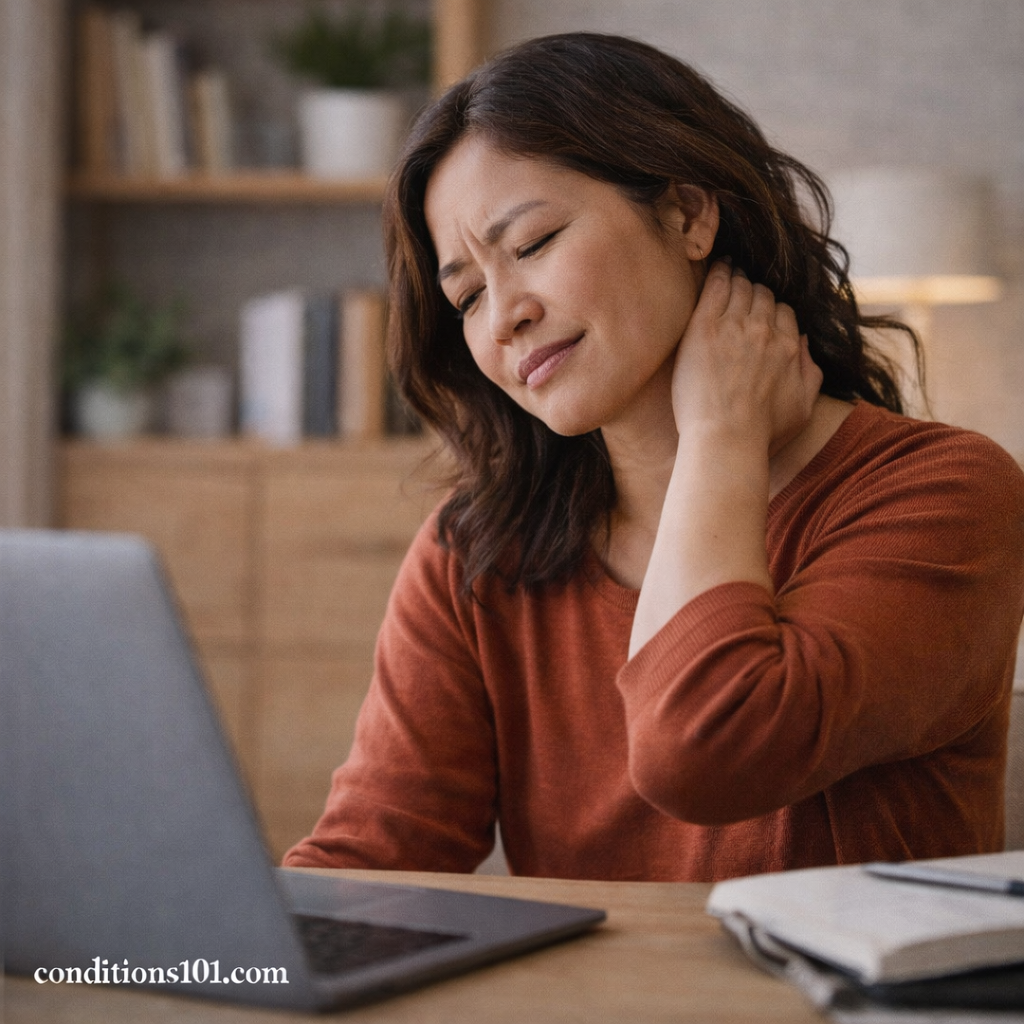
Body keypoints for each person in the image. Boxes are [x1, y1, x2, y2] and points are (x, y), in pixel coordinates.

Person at [284, 33, 1024, 881]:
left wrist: (720, 436)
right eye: (468, 294)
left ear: (686, 213)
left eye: (532, 244)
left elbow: (703, 750)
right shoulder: (479, 551)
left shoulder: (945, 492)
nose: (504, 317)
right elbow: (374, 855)